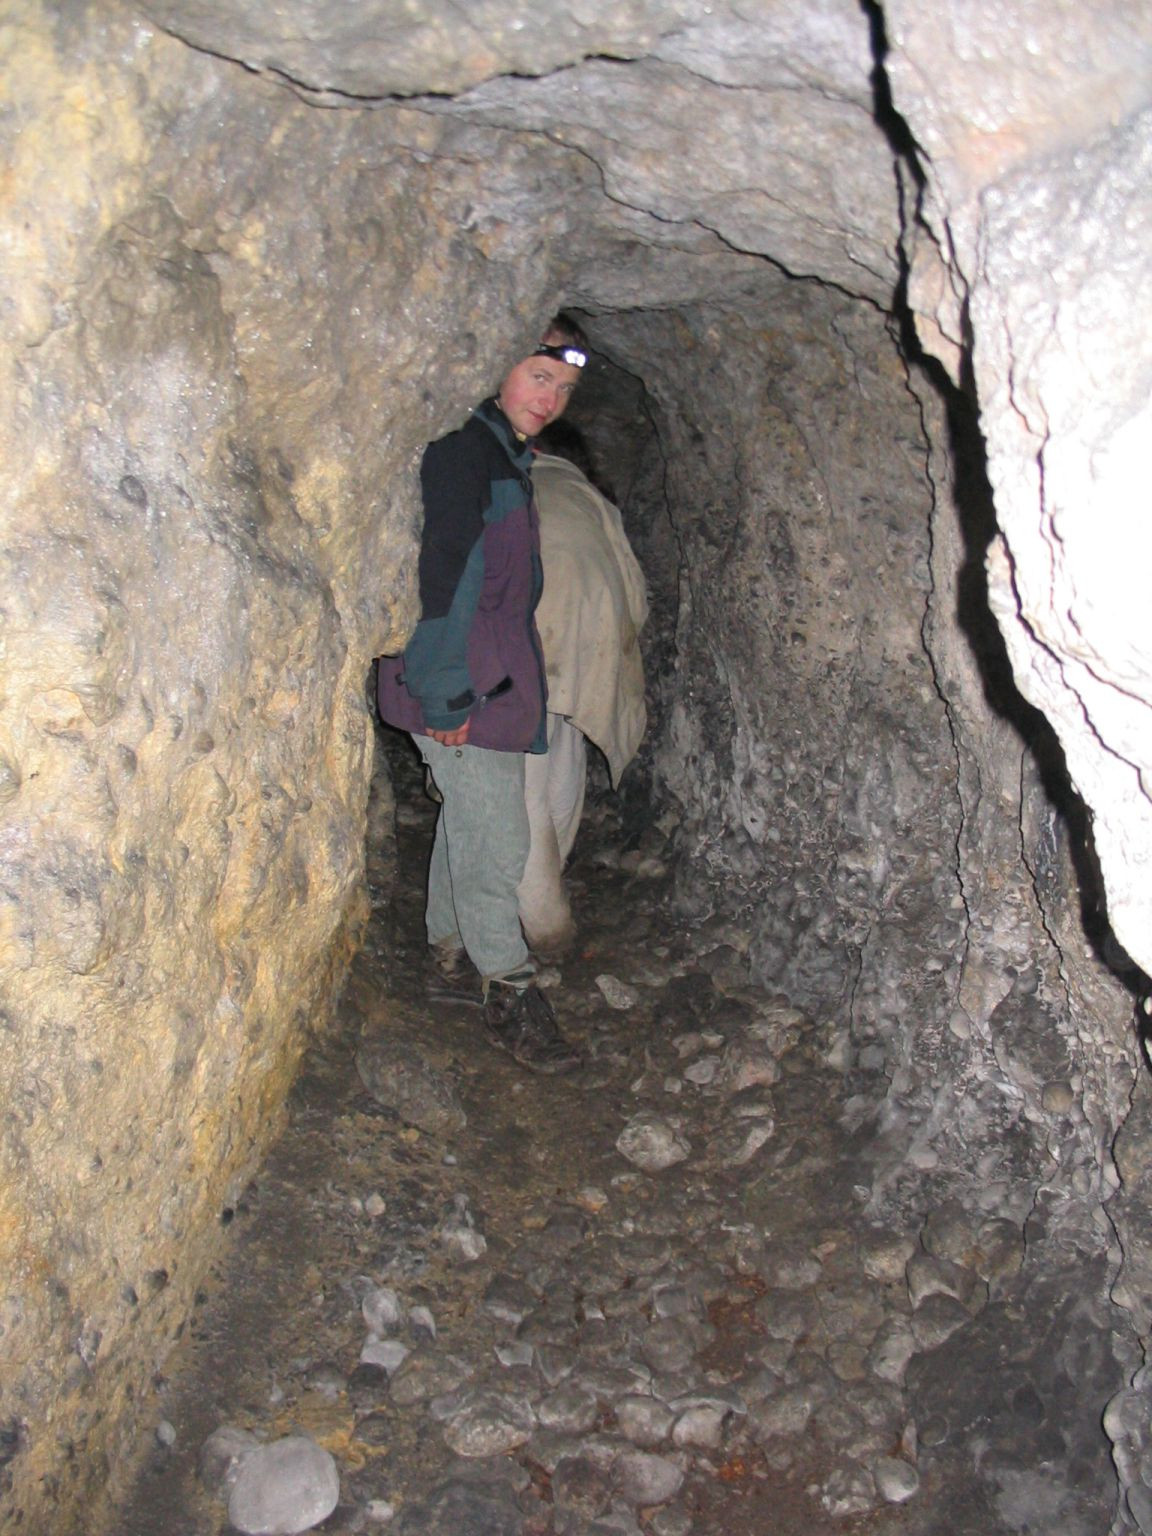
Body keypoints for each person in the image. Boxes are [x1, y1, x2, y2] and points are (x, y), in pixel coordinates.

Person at [377, 317, 589, 1075]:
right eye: (540, 376)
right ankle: (509, 989)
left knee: (472, 818)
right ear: (499, 366)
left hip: (487, 681)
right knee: (500, 837)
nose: (552, 398)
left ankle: (447, 953)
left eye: (566, 388)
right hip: (461, 682)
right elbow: (443, 580)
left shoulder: (505, 457)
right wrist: (445, 697)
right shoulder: (465, 454)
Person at [517, 432, 648, 953]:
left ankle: (544, 922)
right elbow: (633, 585)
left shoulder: (502, 485)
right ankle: (548, 878)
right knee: (564, 753)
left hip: (524, 636)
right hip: (590, 638)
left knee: (523, 783)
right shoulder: (589, 497)